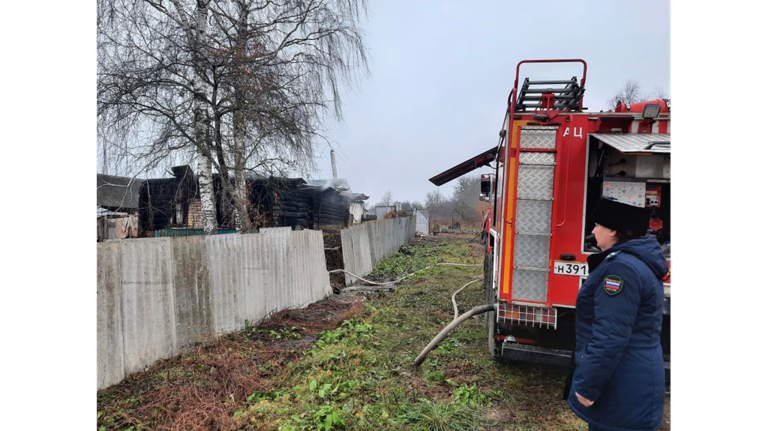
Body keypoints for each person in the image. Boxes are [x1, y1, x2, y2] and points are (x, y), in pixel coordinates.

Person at [564, 196, 668, 431]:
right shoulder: (636, 261)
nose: (593, 231)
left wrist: (588, 386)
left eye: (597, 225)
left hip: (623, 388)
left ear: (612, 231)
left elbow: (609, 335)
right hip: (631, 383)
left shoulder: (620, 270)